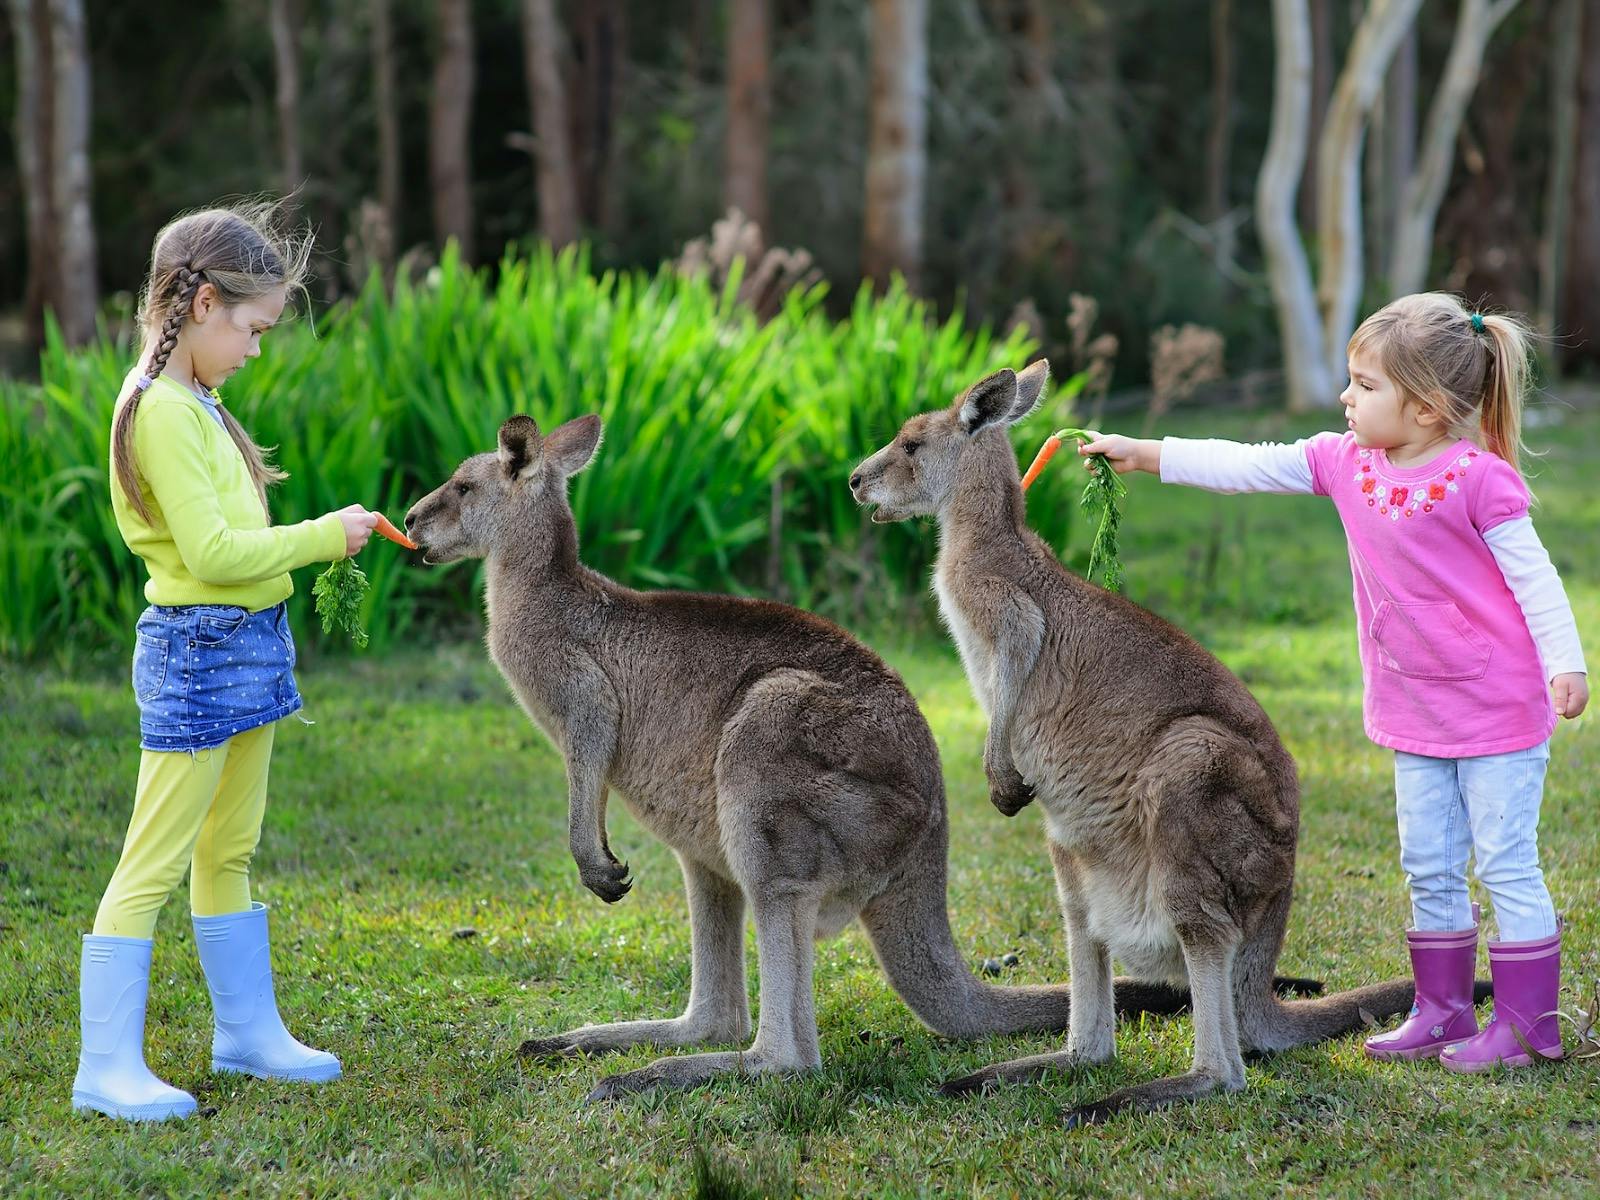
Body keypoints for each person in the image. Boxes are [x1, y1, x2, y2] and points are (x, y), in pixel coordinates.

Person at [1079, 292, 1586, 1072]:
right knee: (1428, 861)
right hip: (1413, 709)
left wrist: (1567, 664)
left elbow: (1537, 580)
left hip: (1497, 713)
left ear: (1423, 408)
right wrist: (1145, 453)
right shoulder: (1346, 464)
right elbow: (1245, 466)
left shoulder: (1479, 481)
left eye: (1364, 384)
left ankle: (1526, 1026)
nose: (1346, 397)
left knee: (1506, 861)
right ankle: (1444, 1009)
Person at [74, 203, 379, 1121]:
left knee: (229, 848)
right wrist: (323, 537)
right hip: (197, 654)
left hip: (247, 650)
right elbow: (207, 556)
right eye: (251, 328)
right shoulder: (160, 411)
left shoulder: (196, 399)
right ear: (202, 302)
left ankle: (246, 1033)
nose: (255, 347)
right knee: (152, 861)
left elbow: (229, 535)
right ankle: (104, 1067)